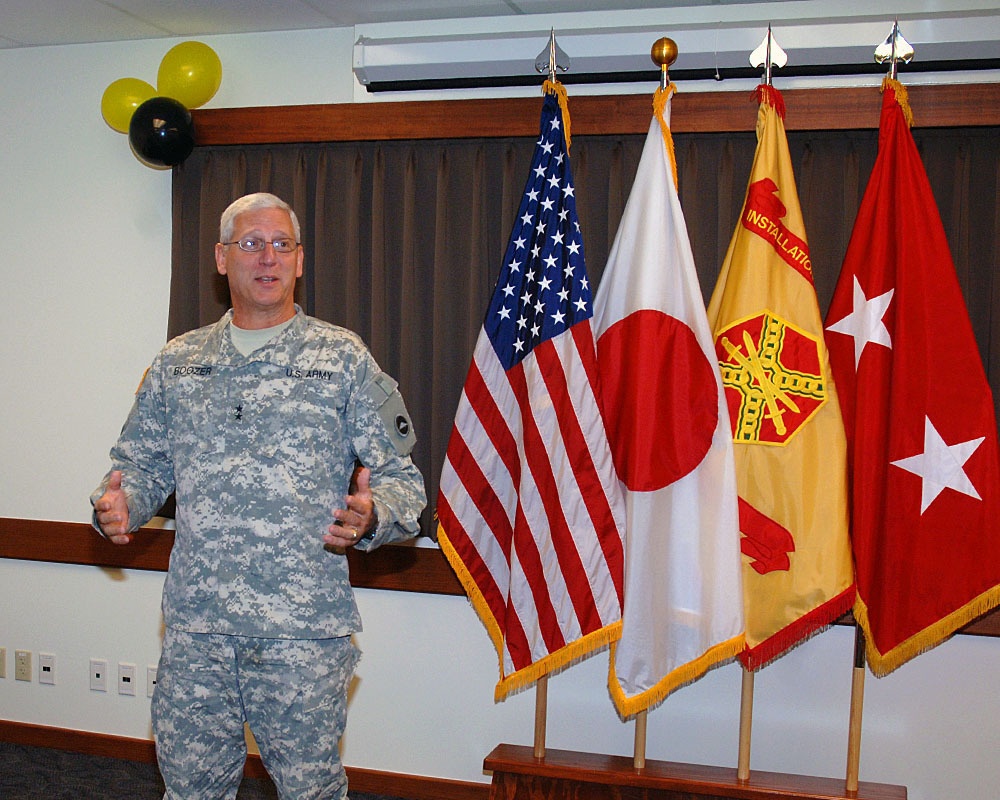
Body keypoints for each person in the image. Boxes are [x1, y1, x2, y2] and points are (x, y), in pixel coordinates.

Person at [91, 192, 426, 800]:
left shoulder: (342, 358)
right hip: (198, 632)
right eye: (250, 243)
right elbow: (139, 466)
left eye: (282, 244)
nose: (266, 257)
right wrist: (120, 506)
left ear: (300, 261)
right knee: (190, 791)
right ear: (222, 258)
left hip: (301, 633)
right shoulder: (179, 362)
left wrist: (373, 514)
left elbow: (404, 481)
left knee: (310, 792)